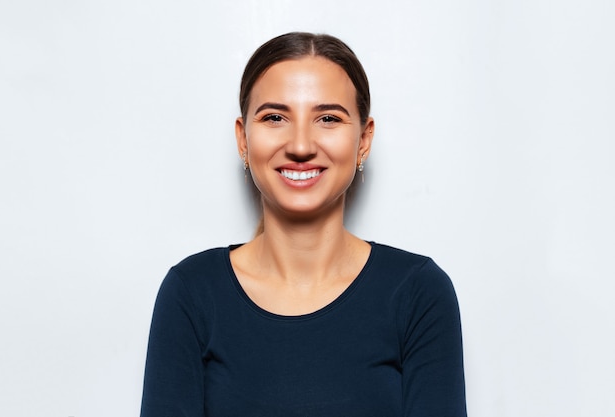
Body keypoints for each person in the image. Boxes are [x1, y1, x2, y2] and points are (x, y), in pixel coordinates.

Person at [140, 32, 467, 417]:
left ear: (363, 140)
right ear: (243, 139)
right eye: (275, 117)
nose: (300, 145)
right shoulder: (192, 293)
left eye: (327, 118)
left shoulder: (418, 294)